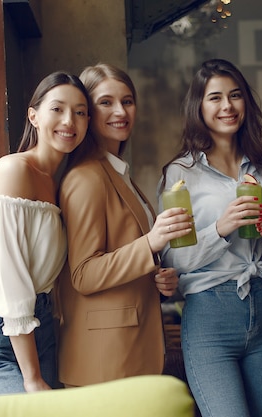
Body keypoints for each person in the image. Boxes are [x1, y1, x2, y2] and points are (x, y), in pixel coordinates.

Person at [0, 71, 91, 395]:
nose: (69, 120)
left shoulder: (57, 182)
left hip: (38, 328)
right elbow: (7, 276)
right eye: (57, 109)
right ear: (34, 116)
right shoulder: (14, 170)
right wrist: (31, 377)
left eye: (80, 112)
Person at [56, 63, 190, 387]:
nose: (120, 111)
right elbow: (84, 274)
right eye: (106, 102)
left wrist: (158, 279)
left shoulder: (118, 173)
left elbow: (124, 256)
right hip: (104, 359)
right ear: (86, 112)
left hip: (131, 351)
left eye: (127, 101)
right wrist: (151, 243)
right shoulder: (86, 178)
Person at [159, 58, 262, 417]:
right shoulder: (182, 173)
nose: (227, 106)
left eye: (235, 95)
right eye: (215, 98)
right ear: (199, 107)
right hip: (210, 316)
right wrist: (220, 228)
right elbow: (173, 261)